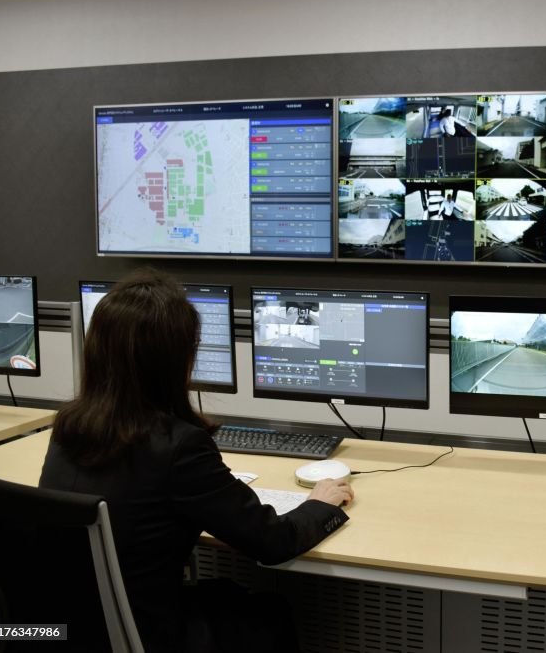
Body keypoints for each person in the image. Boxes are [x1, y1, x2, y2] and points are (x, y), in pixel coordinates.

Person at [40, 270, 354, 652]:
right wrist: (319, 504)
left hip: (67, 631)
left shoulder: (68, 428)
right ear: (177, 360)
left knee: (224, 592)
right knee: (268, 611)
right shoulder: (177, 448)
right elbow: (272, 542)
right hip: (144, 634)